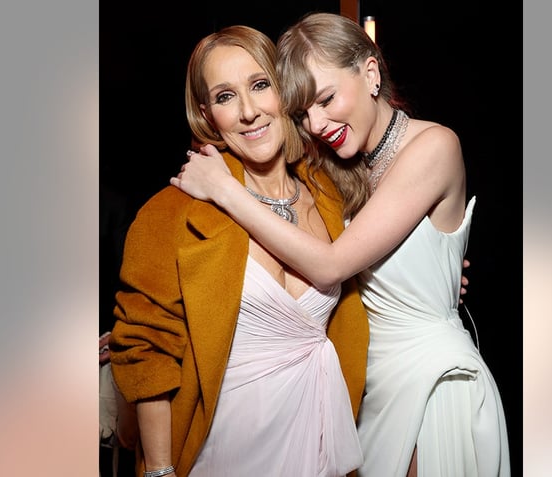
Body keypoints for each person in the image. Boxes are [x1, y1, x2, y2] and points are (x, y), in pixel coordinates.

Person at [170, 12, 509, 477]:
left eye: (327, 99)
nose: (317, 122)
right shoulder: (338, 169)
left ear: (371, 73)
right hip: (365, 390)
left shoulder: (435, 146)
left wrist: (227, 192)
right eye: (303, 112)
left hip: (430, 380)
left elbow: (331, 266)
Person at [110, 25, 370, 477]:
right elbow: (146, 351)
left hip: (319, 445)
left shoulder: (331, 195)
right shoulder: (172, 211)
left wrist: (436, 277)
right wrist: (159, 470)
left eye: (260, 85)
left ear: (283, 90)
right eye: (225, 97)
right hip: (223, 451)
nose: (249, 112)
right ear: (208, 115)